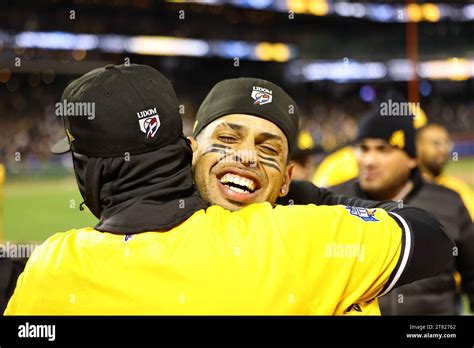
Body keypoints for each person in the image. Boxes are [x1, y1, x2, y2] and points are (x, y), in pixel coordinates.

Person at [4, 64, 453, 315]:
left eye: (268, 148)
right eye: (228, 139)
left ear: (289, 177)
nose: (246, 158)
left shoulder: (58, 265)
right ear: (189, 150)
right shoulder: (308, 238)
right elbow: (425, 235)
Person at [329, 110, 474, 315]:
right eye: (363, 148)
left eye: (383, 149)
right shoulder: (332, 201)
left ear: (411, 159)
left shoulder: (448, 201)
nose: (369, 160)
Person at [416, 123, 474, 220]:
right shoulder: (403, 188)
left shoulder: (460, 190)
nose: (444, 150)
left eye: (447, 143)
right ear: (417, 146)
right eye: (436, 143)